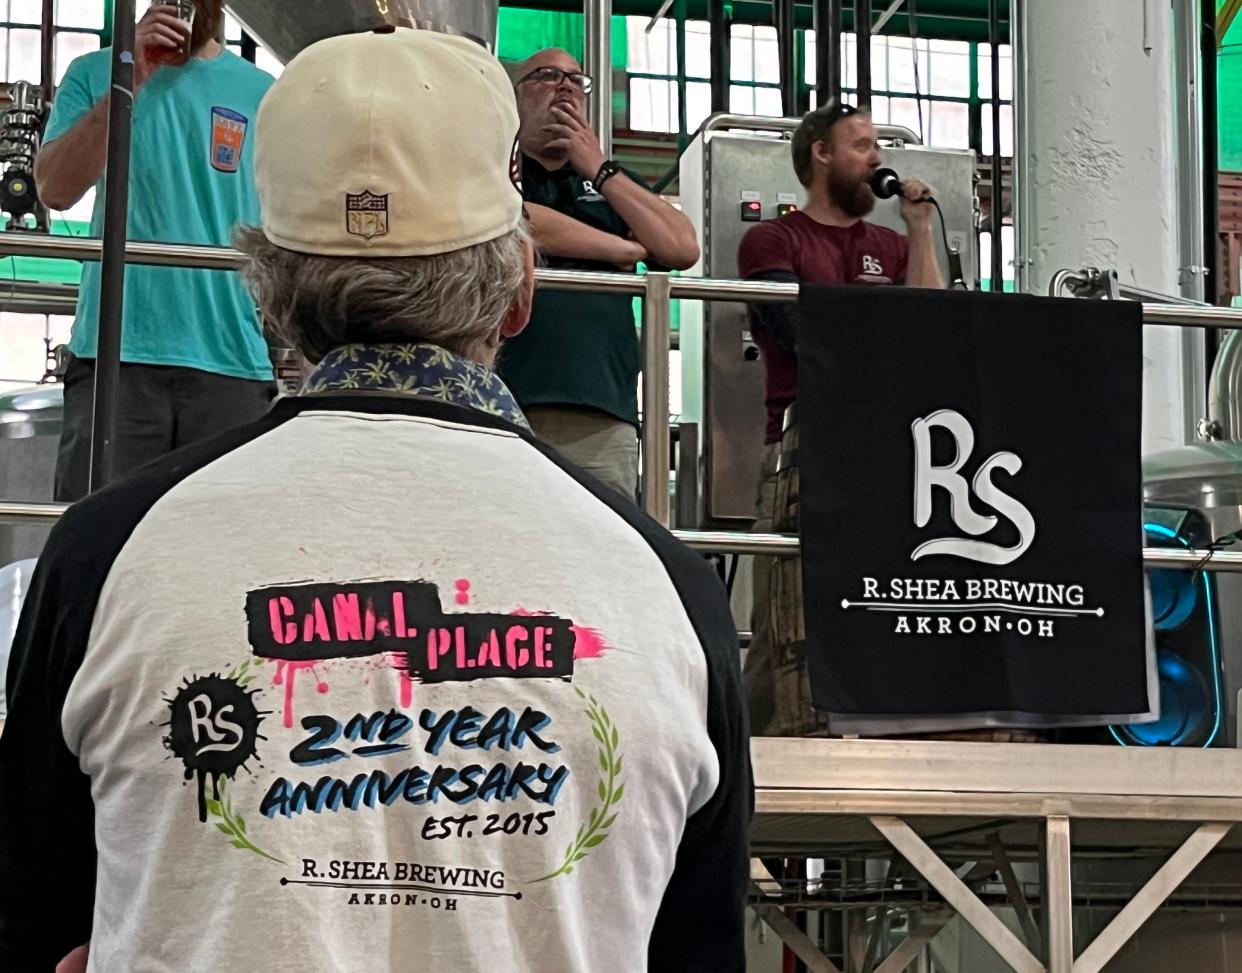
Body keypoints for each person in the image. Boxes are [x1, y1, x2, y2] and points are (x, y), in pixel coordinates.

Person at [0, 27, 749, 973]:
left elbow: (33, 922)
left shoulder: (106, 554)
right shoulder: (669, 589)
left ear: (267, 288)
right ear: (520, 289)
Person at [737, 102, 945, 734]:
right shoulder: (773, 240)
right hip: (806, 443)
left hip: (889, 447)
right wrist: (889, 336)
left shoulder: (890, 244)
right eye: (860, 144)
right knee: (789, 612)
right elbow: (800, 332)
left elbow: (934, 328)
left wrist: (920, 232)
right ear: (820, 154)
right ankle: (763, 745)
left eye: (878, 144)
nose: (876, 156)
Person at [36, 0, 276, 502]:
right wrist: (134, 72)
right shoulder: (95, 73)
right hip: (116, 355)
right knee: (95, 546)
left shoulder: (264, 95)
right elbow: (55, 189)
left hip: (229, 358)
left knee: (224, 553)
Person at [500, 47, 700, 501]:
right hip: (508, 396)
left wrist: (598, 166)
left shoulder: (610, 182)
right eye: (547, 76)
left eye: (577, 80)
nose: (566, 86)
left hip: (602, 407)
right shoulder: (497, 172)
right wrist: (625, 247)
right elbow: (520, 218)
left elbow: (681, 246)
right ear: (513, 99)